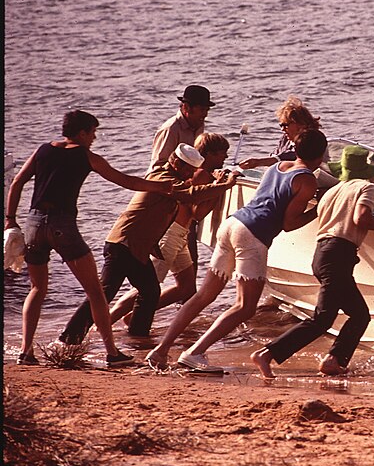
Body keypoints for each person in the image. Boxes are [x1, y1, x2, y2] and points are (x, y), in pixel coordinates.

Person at [145, 129, 328, 372]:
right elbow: (289, 223)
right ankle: (195, 352)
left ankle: (161, 350)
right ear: (321, 155)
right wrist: (320, 207)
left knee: (204, 295)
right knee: (245, 306)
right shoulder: (307, 180)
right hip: (253, 236)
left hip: (233, 224)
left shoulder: (279, 166)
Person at [4, 110, 172, 366]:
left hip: (34, 223)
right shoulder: (86, 156)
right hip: (62, 225)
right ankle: (112, 353)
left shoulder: (42, 150)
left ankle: (26, 353)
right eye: (92, 132)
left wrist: (10, 219)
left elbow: (16, 182)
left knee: (37, 288)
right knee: (95, 290)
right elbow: (124, 180)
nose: (94, 138)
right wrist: (160, 186)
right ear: (81, 133)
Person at [58, 143, 240, 345]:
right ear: (175, 162)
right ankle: (69, 338)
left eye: (192, 170)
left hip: (137, 249)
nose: (189, 174)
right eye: (187, 168)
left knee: (150, 291)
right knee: (105, 293)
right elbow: (190, 194)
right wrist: (225, 185)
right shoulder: (163, 179)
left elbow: (189, 195)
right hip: (123, 244)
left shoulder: (172, 179)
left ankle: (137, 337)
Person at [251, 145, 374, 378]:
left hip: (322, 253)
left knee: (360, 315)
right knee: (322, 319)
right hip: (339, 254)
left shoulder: (332, 191)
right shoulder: (367, 187)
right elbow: (361, 218)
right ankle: (267, 353)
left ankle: (334, 360)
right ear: (369, 172)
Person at [107, 133, 232, 326]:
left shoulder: (201, 174)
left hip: (180, 235)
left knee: (186, 287)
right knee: (146, 287)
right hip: (171, 235)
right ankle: (107, 321)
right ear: (209, 155)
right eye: (222, 154)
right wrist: (220, 188)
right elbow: (197, 212)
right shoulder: (201, 175)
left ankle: (134, 316)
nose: (225, 158)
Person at [149, 84, 216, 281]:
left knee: (189, 264)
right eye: (201, 110)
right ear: (186, 108)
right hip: (169, 202)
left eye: (206, 110)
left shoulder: (198, 126)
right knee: (164, 262)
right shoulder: (171, 129)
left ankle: (183, 306)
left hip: (187, 199)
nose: (205, 114)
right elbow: (157, 169)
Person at [238, 95, 324, 170]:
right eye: (281, 126)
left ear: (300, 123)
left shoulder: (313, 139)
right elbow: (277, 154)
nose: (282, 129)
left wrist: (259, 162)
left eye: (285, 125)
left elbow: (295, 156)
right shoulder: (286, 139)